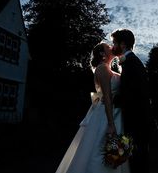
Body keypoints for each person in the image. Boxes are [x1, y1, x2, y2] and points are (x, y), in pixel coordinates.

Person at [55, 42, 130, 173]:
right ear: (102, 53)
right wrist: (111, 124)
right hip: (106, 116)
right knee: (100, 151)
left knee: (113, 152)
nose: (111, 47)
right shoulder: (102, 68)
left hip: (115, 113)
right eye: (108, 47)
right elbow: (107, 97)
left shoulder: (108, 68)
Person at [111, 28, 151, 173]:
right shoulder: (132, 62)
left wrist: (109, 100)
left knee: (136, 163)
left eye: (114, 43)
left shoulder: (131, 63)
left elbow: (130, 96)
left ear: (122, 44)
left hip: (136, 123)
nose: (112, 46)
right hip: (138, 122)